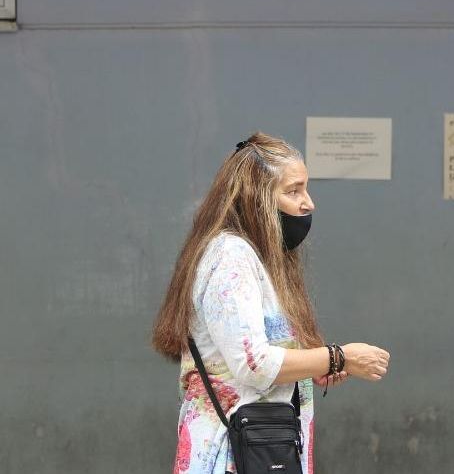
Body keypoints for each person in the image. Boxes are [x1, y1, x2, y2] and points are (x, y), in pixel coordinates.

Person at [151, 133, 391, 474]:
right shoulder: (230, 257)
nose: (308, 203)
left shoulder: (259, 259)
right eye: (293, 190)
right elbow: (254, 364)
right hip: (228, 456)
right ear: (256, 198)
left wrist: (317, 366)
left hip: (260, 453)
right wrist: (340, 357)